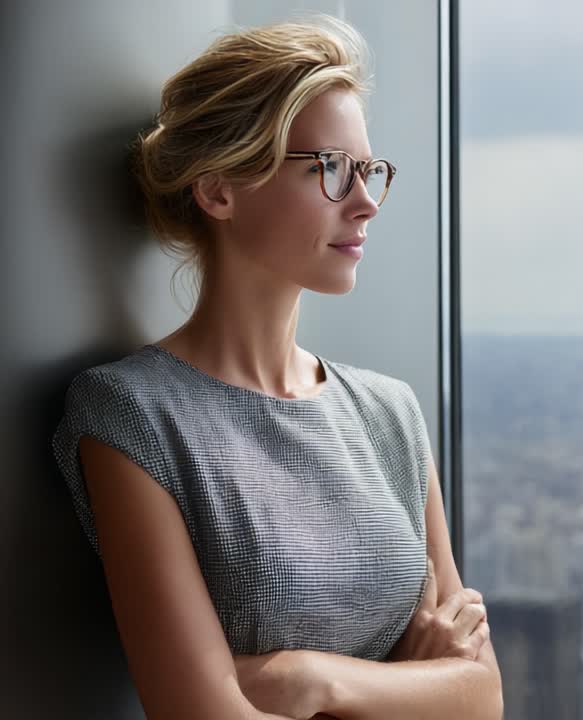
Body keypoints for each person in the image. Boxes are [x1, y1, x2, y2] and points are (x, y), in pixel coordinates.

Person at [50, 16, 502, 720]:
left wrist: (307, 680)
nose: (367, 203)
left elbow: (482, 696)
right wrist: (413, 691)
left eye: (368, 170)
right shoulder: (131, 415)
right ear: (219, 190)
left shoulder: (389, 414)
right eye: (329, 169)